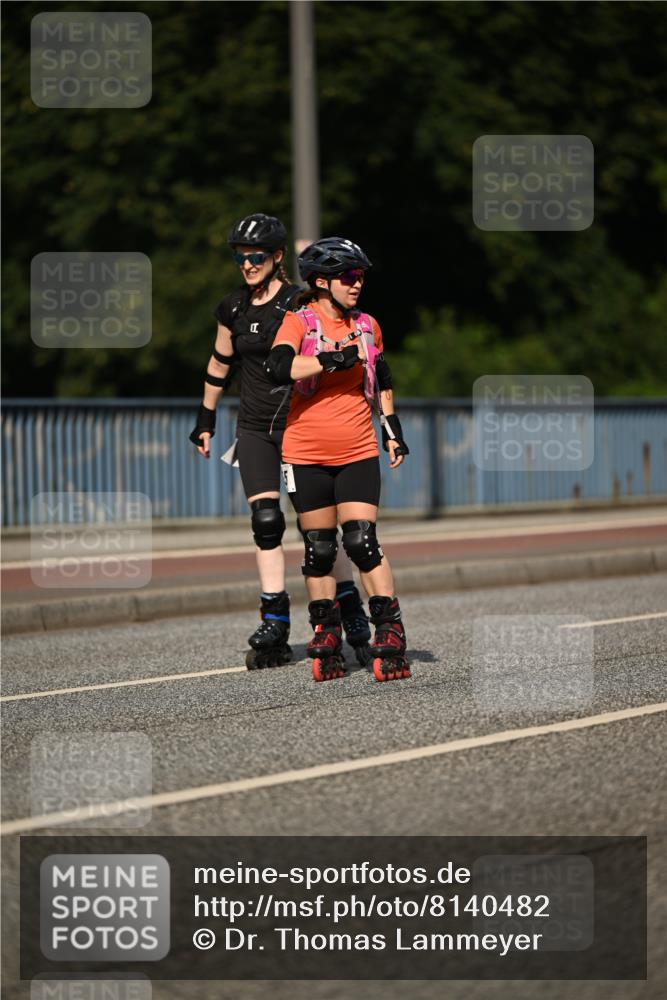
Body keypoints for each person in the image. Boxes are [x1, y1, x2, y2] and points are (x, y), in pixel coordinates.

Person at [189, 215, 371, 669]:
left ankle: (348, 607)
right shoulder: (232, 308)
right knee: (266, 521)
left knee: (320, 533)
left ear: (275, 257)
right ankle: (274, 617)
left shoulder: (300, 304)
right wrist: (205, 418)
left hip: (297, 427)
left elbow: (336, 341)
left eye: (254, 257)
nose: (246, 264)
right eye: (239, 257)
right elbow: (219, 363)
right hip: (253, 429)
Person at [264, 237, 412, 683]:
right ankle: (326, 630)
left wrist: (393, 431)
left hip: (357, 449)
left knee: (362, 541)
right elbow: (278, 368)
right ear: (322, 282)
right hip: (304, 452)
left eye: (361, 276)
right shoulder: (299, 323)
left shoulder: (368, 325)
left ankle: (389, 629)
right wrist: (327, 359)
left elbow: (381, 377)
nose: (357, 284)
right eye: (350, 277)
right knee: (319, 549)